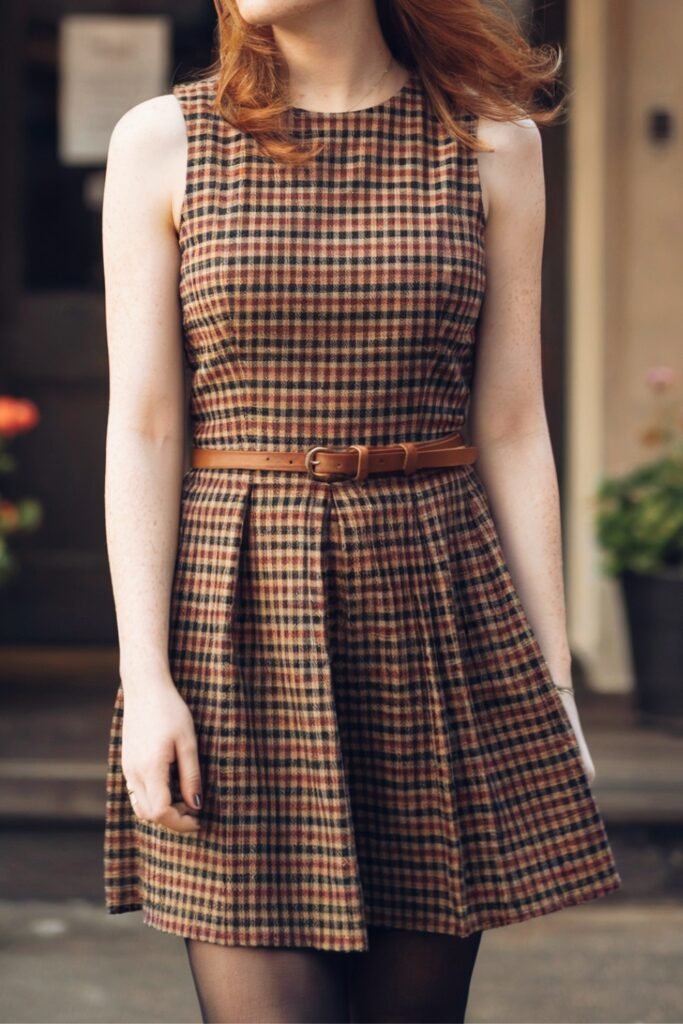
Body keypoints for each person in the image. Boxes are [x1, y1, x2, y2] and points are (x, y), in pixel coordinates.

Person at [101, 0, 623, 1021]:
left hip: (430, 614)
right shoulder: (163, 140)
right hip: (236, 624)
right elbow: (146, 427)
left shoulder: (490, 143)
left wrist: (550, 679)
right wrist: (145, 676)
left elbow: (513, 425)